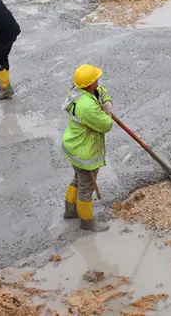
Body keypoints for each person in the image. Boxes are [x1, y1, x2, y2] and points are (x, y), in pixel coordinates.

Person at [61, 64, 113, 232]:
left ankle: (70, 210)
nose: (98, 81)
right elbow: (106, 125)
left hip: (73, 146)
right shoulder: (87, 107)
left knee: (78, 179)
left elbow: (100, 90)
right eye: (96, 79)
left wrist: (105, 99)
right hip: (85, 153)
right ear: (90, 84)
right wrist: (107, 112)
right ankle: (87, 222)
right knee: (86, 187)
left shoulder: (76, 91)